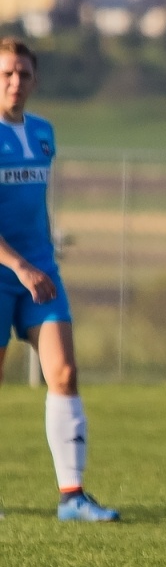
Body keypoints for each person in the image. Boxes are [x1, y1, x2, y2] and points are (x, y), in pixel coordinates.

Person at [0, 37, 119, 522]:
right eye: (6, 73)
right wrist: (18, 265)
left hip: (40, 274)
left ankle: (72, 496)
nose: (15, 82)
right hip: (9, 271)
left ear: (35, 79)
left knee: (64, 373)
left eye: (23, 74)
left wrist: (41, 259)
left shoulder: (44, 133)